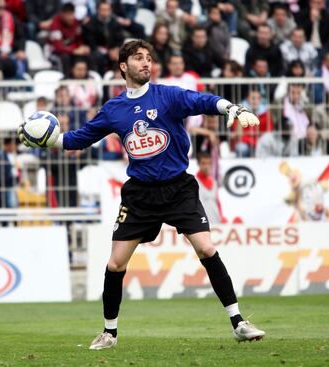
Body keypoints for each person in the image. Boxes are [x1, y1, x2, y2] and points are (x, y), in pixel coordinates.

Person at [19, 39, 265, 349]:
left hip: (178, 188)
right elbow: (79, 139)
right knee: (116, 264)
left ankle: (239, 322)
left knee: (205, 248)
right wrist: (47, 140)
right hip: (140, 195)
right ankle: (110, 333)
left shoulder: (168, 96)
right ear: (124, 66)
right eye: (138, 58)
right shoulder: (114, 109)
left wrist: (231, 107)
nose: (146, 62)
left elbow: (202, 100)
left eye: (148, 58)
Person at [195, 152, 225, 224]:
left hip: (215, 221)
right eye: (204, 163)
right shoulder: (193, 182)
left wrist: (221, 217)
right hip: (201, 223)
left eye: (209, 163)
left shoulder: (214, 182)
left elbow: (217, 202)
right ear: (199, 164)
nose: (207, 166)